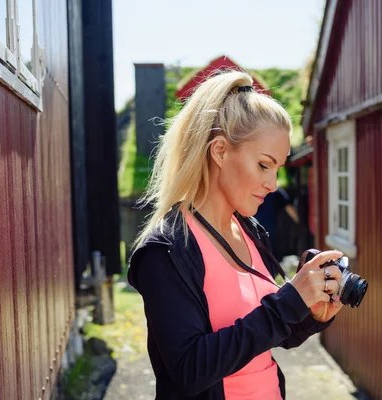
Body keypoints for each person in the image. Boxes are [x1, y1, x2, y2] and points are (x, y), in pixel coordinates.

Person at [127, 70, 345, 400]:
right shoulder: (165, 250)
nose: (273, 184)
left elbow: (270, 335)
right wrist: (286, 305)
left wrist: (311, 314)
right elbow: (189, 369)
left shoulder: (250, 231)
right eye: (263, 165)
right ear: (220, 151)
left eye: (278, 169)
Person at [254, 186, 299, 258]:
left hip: (253, 225)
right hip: (269, 229)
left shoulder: (254, 190)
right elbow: (289, 208)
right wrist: (300, 222)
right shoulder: (278, 192)